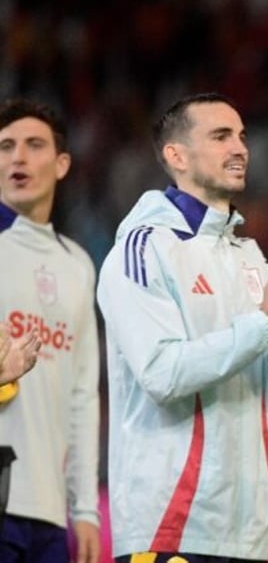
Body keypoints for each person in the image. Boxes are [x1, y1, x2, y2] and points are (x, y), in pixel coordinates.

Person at [96, 92, 268, 562]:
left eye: (242, 136)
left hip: (247, 530)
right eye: (220, 136)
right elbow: (161, 373)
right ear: (177, 156)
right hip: (171, 525)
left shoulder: (247, 255)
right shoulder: (143, 249)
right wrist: (266, 319)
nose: (240, 148)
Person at [0, 98, 101, 563]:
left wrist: (85, 509)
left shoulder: (78, 266)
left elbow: (82, 395)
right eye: (5, 147)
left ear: (62, 164)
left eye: (33, 145)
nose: (17, 157)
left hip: (48, 512)